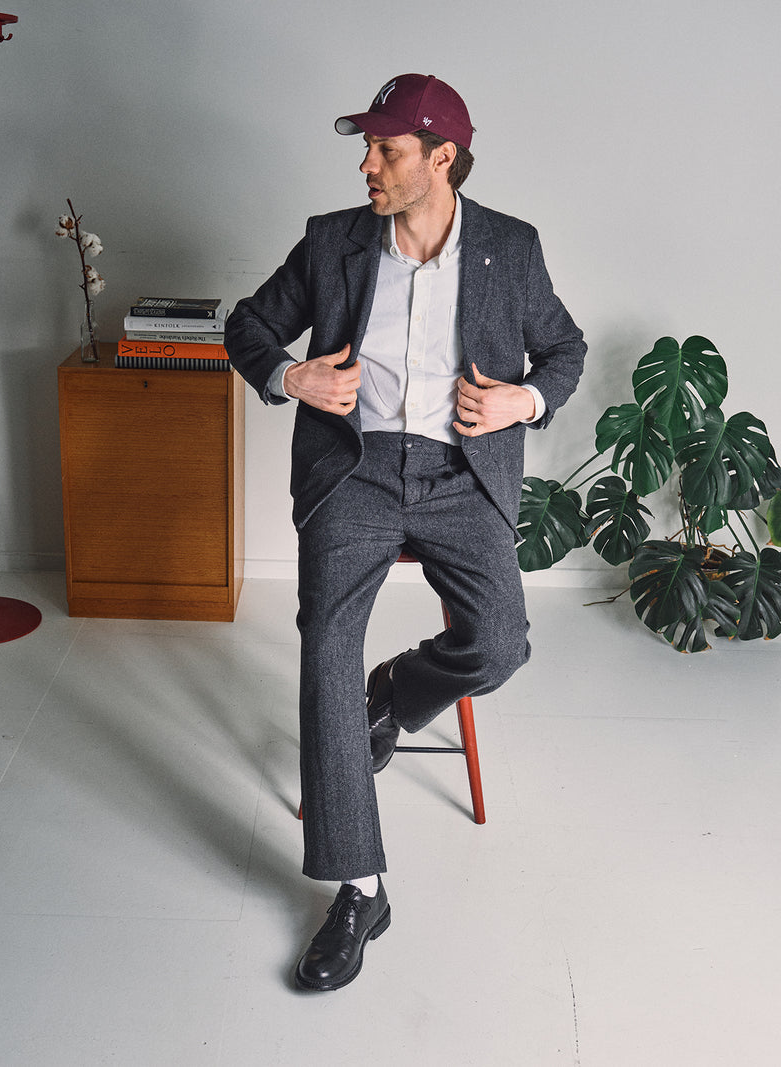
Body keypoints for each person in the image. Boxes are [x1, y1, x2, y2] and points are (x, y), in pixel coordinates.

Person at [224, 73, 586, 992]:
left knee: (502, 643)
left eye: (386, 149)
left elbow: (566, 350)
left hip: (461, 472)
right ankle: (359, 886)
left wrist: (523, 398)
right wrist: (290, 379)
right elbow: (250, 327)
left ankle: (399, 690)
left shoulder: (511, 247)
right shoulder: (333, 241)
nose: (367, 164)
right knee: (324, 651)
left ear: (441, 158)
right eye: (368, 146)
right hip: (355, 465)